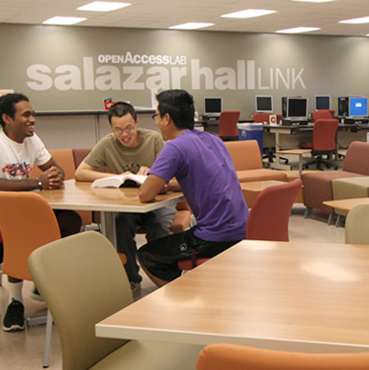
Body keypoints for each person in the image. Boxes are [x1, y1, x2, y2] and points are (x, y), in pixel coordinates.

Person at [0, 93, 82, 332]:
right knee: (22, 234)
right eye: (26, 115)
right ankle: (16, 300)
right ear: (7, 118)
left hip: (24, 210)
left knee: (70, 221)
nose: (33, 119)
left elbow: (57, 170)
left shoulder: (32, 140)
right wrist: (39, 183)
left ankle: (40, 279)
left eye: (33, 114)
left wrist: (55, 176)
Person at [137, 89, 249, 287]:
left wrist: (150, 182)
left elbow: (145, 195)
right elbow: (206, 176)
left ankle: (179, 298)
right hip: (244, 228)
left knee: (147, 254)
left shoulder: (175, 147)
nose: (155, 122)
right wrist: (170, 185)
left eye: (156, 116)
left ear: (167, 118)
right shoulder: (212, 138)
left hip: (216, 237)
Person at [74, 101, 176, 293]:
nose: (124, 135)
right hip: (126, 205)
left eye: (128, 128)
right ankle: (131, 279)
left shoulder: (153, 139)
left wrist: (154, 174)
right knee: (119, 224)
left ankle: (162, 276)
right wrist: (116, 177)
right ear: (111, 128)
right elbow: (81, 173)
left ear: (137, 122)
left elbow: (173, 175)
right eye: (118, 130)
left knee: (158, 227)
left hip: (156, 202)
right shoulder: (107, 143)